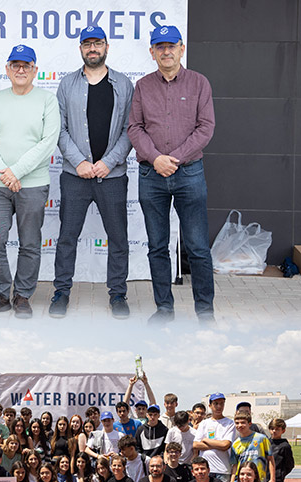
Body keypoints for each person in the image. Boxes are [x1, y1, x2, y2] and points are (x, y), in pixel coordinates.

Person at [128, 24, 215, 321]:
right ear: (152, 53)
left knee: (198, 247)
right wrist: (156, 159)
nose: (166, 51)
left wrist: (173, 159)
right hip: (151, 176)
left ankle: (205, 313)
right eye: (160, 46)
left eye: (171, 45)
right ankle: (164, 310)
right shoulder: (142, 86)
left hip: (189, 174)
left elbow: (206, 128)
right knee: (157, 246)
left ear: (182, 48)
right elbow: (134, 128)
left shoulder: (200, 83)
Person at [49, 25, 133, 319]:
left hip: (112, 176)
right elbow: (58, 129)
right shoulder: (67, 84)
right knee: (67, 237)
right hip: (75, 177)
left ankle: (118, 294)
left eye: (98, 43)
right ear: (81, 48)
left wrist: (109, 161)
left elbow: (130, 129)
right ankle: (61, 292)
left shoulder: (123, 84)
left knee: (119, 238)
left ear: (107, 46)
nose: (92, 48)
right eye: (87, 44)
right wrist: (79, 161)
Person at [0, 45, 60, 318]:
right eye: (15, 65)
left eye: (26, 65)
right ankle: (0, 293)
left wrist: (17, 172)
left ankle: (23, 296)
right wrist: (4, 171)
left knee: (29, 243)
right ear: (7, 69)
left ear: (35, 69)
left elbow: (48, 143)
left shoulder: (47, 100)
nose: (21, 70)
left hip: (33, 184)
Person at [192, 393, 235, 482]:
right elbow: (196, 445)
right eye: (216, 403)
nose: (219, 406)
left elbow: (225, 445)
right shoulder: (204, 423)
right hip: (205, 470)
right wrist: (218, 444)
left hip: (222, 470)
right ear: (210, 405)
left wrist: (206, 440)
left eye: (221, 403)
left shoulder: (229, 423)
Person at [228, 410, 275, 482]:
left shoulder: (261, 438)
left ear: (249, 424)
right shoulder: (235, 444)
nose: (240, 425)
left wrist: (272, 479)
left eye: (243, 422)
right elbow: (235, 465)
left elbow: (270, 459)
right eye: (237, 423)